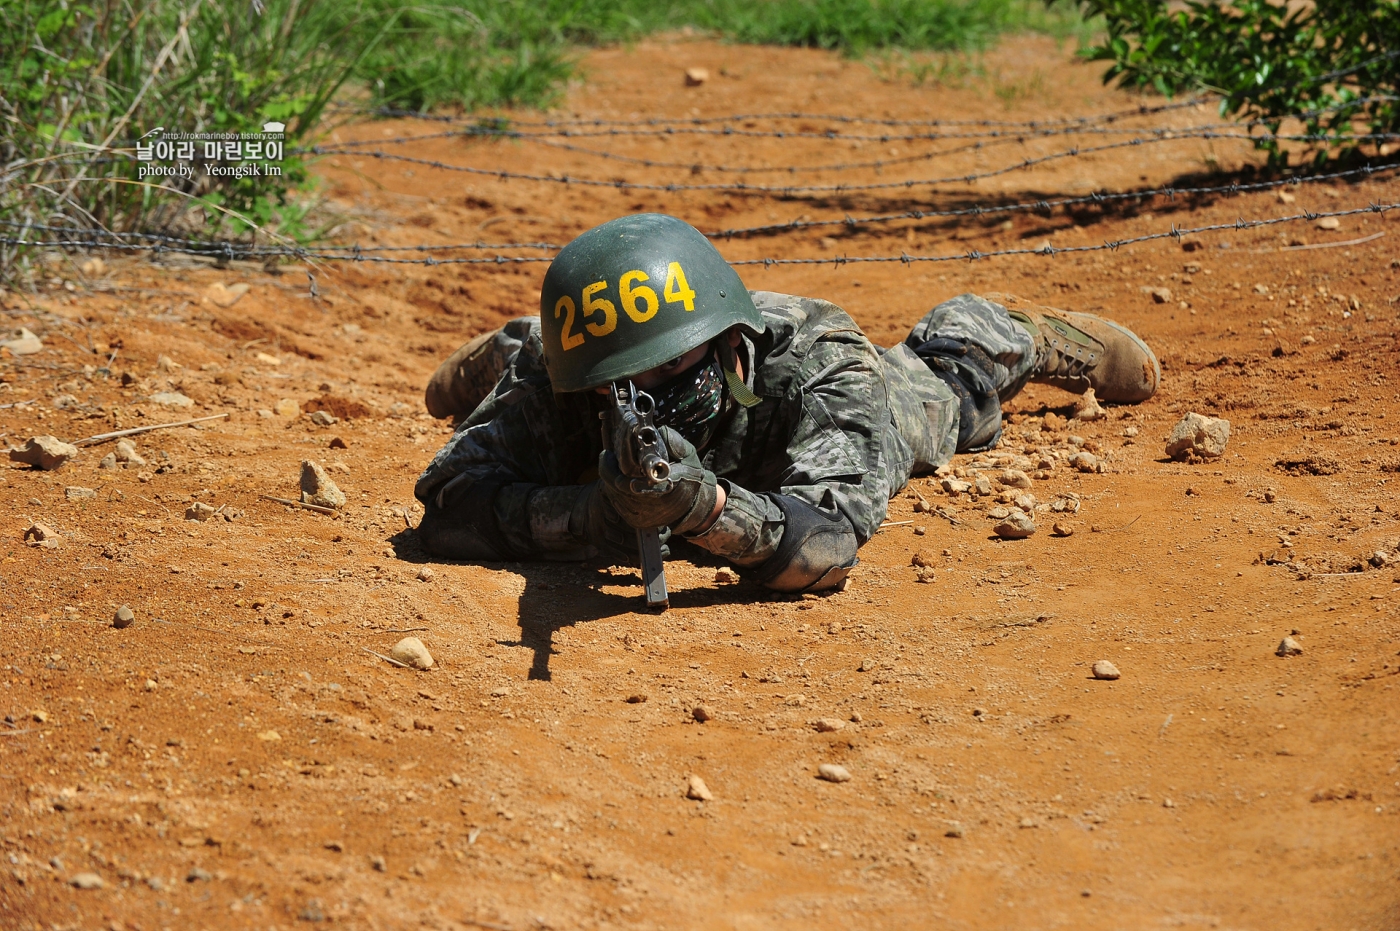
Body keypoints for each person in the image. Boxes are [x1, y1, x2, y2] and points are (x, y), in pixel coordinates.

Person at [414, 213, 1158, 593]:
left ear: (728, 340)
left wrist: (705, 510)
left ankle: (1012, 332)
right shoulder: (570, 361)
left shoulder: (818, 359)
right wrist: (593, 520)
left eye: (674, 363)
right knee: (536, 370)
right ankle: (510, 345)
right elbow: (447, 503)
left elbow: (829, 544)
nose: (652, 391)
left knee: (948, 391)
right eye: (627, 377)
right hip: (559, 352)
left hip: (829, 419)